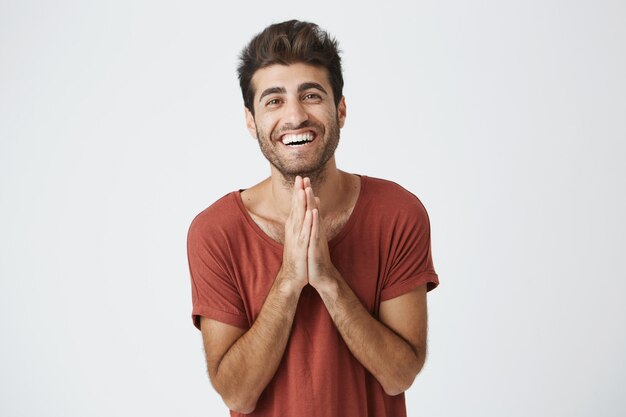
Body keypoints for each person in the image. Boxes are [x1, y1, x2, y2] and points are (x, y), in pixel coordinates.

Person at [187, 19, 439, 417]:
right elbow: (237, 395)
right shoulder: (215, 232)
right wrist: (289, 280)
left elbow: (399, 375)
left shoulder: (398, 213)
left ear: (340, 109)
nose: (295, 116)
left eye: (311, 95)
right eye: (273, 100)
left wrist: (328, 280)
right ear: (251, 121)